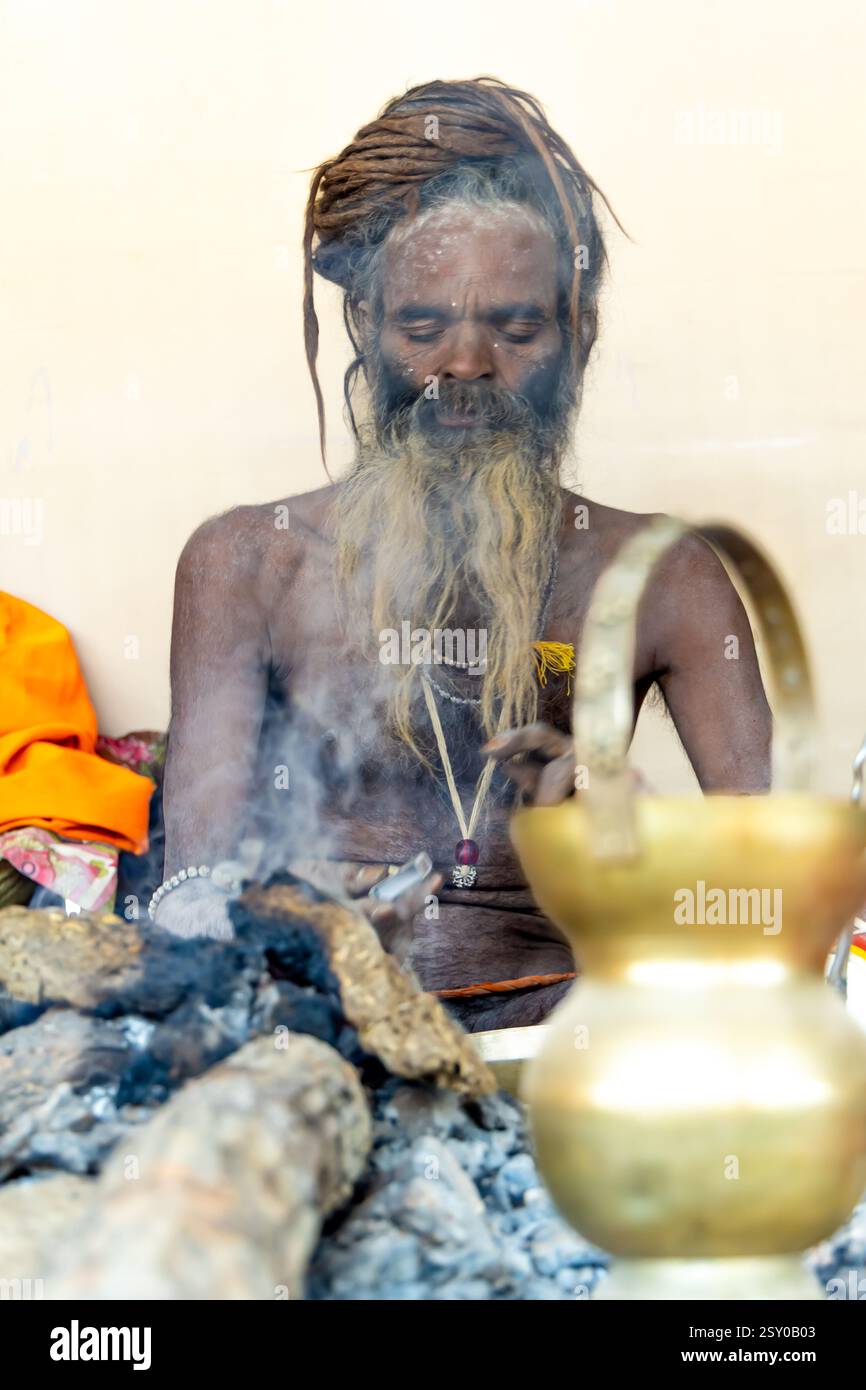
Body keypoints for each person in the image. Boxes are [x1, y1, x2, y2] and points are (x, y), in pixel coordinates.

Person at [157, 78, 771, 1030]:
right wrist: (290, 923)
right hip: (321, 1032)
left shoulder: (667, 576)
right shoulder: (246, 563)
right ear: (367, 326)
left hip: (577, 1043)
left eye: (517, 328)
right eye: (422, 327)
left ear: (578, 334)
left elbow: (766, 902)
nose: (466, 368)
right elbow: (191, 895)